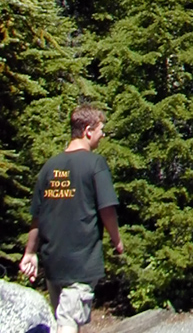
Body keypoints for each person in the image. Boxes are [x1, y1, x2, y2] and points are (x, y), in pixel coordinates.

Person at [19, 104, 124, 333]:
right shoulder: (95, 164)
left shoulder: (49, 167)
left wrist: (30, 253)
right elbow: (107, 209)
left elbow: (37, 216)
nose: (102, 135)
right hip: (81, 261)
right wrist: (117, 240)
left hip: (54, 262)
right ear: (88, 130)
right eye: (101, 130)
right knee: (68, 321)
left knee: (64, 319)